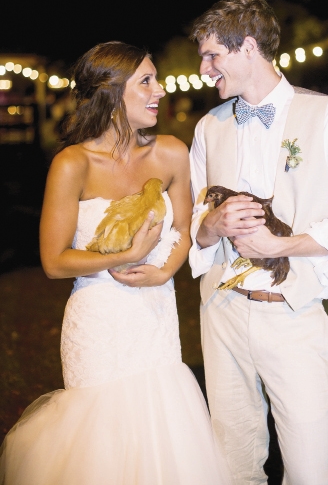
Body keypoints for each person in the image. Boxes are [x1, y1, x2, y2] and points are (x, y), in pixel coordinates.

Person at [0, 41, 231, 485]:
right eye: (146, 81)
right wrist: (126, 256)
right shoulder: (73, 164)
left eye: (156, 78)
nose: (159, 90)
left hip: (154, 317)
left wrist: (164, 270)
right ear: (110, 93)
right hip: (98, 321)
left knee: (163, 437)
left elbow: (183, 228)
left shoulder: (170, 153)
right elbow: (53, 261)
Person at [188, 0, 328, 485]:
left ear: (248, 47)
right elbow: (195, 224)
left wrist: (281, 248)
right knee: (231, 459)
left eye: (212, 55)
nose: (204, 69)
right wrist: (214, 225)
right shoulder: (208, 128)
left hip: (293, 313)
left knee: (309, 467)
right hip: (222, 312)